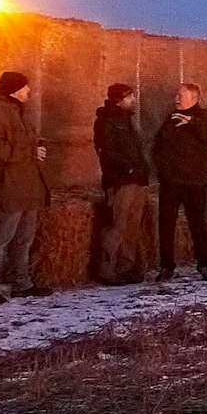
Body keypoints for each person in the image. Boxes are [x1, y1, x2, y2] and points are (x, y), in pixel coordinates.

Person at [0, 70, 51, 303]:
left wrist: (36, 146)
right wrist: (30, 151)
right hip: (8, 184)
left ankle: (22, 284)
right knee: (0, 238)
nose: (30, 91)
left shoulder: (18, 110)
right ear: (15, 89)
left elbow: (21, 142)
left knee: (24, 239)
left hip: (26, 183)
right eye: (26, 87)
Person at [152, 82, 207, 282]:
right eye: (177, 94)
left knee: (197, 223)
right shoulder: (170, 119)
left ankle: (204, 264)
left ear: (194, 97)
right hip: (170, 182)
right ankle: (166, 266)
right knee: (166, 224)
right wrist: (161, 169)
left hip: (195, 182)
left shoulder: (206, 117)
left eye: (181, 95)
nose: (176, 98)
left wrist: (192, 122)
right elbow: (157, 145)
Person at [93, 83, 150, 285]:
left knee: (132, 225)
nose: (133, 100)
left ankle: (126, 266)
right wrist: (128, 168)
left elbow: (135, 150)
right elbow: (106, 150)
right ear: (119, 100)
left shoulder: (127, 121)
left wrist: (142, 171)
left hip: (136, 179)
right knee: (117, 225)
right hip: (120, 181)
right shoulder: (106, 121)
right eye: (129, 96)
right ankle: (106, 268)